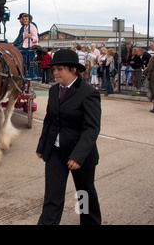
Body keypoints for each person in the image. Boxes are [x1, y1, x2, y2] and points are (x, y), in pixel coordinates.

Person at [36, 49, 102, 225]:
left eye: (60, 69)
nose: (55, 73)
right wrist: (42, 146)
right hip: (55, 152)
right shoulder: (53, 91)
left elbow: (91, 128)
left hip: (80, 154)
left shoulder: (88, 93)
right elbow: (50, 120)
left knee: (84, 193)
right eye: (54, 69)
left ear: (73, 70)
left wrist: (78, 156)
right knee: (52, 195)